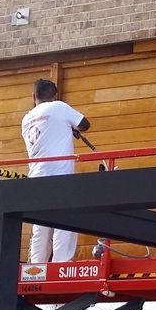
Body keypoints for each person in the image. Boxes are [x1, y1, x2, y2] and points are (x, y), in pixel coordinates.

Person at [20, 78, 91, 264]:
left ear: (34, 96)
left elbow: (47, 133)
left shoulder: (26, 119)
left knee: (40, 225)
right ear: (55, 95)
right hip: (60, 176)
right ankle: (61, 265)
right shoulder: (59, 107)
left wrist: (65, 127)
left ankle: (36, 267)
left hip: (36, 177)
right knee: (64, 221)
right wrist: (72, 127)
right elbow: (85, 124)